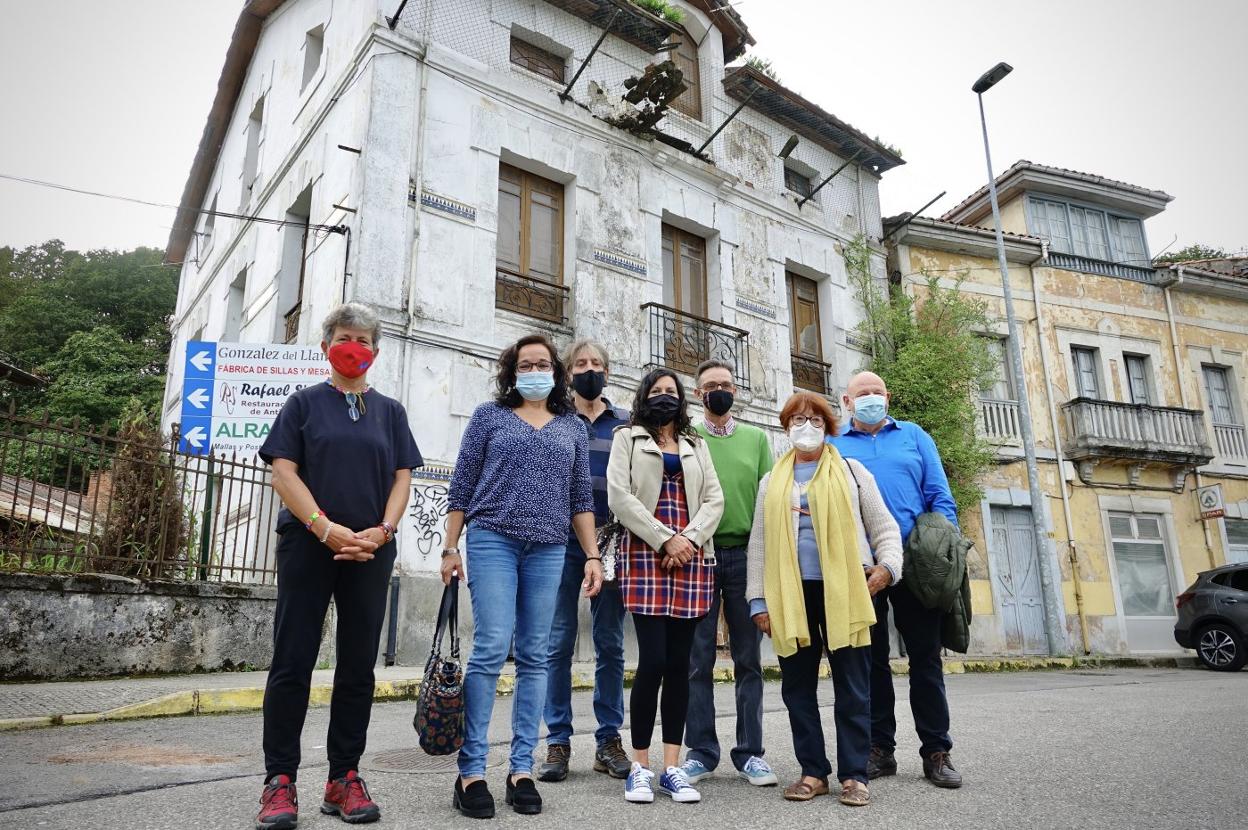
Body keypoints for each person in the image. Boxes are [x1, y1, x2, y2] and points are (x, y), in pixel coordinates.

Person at [255, 302, 422, 829]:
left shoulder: (391, 412)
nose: (355, 347)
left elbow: (402, 478)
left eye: (364, 340)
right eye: (345, 338)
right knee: (293, 660)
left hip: (370, 550)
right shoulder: (302, 404)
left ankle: (343, 778)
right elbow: (283, 473)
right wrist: (324, 528)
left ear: (376, 351)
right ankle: (280, 781)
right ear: (327, 345)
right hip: (308, 545)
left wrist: (383, 531)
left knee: (357, 667)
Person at [441, 334, 604, 819]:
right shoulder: (489, 417)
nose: (535, 370)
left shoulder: (571, 426)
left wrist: (592, 555)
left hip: (549, 547)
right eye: (525, 364)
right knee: (492, 646)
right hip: (493, 538)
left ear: (556, 371)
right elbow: (462, 485)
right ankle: (471, 771)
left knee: (535, 654)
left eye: (543, 363)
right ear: (512, 372)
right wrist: (450, 546)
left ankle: (520, 769)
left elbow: (580, 498)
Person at [746, 391, 901, 807]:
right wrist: (758, 601)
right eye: (798, 419)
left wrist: (887, 568)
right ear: (786, 427)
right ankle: (813, 772)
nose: (807, 426)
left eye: (815, 419)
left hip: (846, 590)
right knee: (797, 688)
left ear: (829, 427)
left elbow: (884, 527)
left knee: (853, 686)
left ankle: (854, 775)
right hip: (790, 594)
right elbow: (758, 543)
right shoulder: (771, 482)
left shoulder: (852, 472)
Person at [831, 371, 963, 789]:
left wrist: (944, 548)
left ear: (887, 397)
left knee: (926, 659)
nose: (871, 398)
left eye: (877, 392)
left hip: (916, 564)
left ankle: (936, 751)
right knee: (870, 661)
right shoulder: (834, 444)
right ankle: (879, 749)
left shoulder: (914, 436)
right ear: (847, 401)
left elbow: (939, 496)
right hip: (862, 567)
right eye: (862, 393)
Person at [607, 369, 724, 805]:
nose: (663, 397)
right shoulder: (627, 438)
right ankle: (640, 767)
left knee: (679, 665)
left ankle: (672, 767)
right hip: (645, 553)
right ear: (644, 397)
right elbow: (619, 497)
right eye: (655, 391)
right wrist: (664, 539)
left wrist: (687, 540)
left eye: (670, 391)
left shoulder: (697, 444)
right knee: (653, 660)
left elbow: (714, 499)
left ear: (681, 399)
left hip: (691, 557)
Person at [539, 339, 632, 782]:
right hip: (560, 541)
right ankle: (557, 741)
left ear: (607, 373)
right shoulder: (555, 420)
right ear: (568, 373)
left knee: (610, 643)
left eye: (596, 363)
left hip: (611, 543)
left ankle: (608, 740)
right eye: (580, 364)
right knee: (557, 641)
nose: (588, 370)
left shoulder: (627, 424)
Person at [681, 360, 776, 788]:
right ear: (698, 393)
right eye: (710, 385)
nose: (718, 390)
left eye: (725, 384)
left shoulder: (757, 439)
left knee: (748, 660)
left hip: (745, 557)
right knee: (696, 661)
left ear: (735, 392)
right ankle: (701, 752)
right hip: (698, 557)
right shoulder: (687, 436)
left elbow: (767, 501)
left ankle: (750, 753)